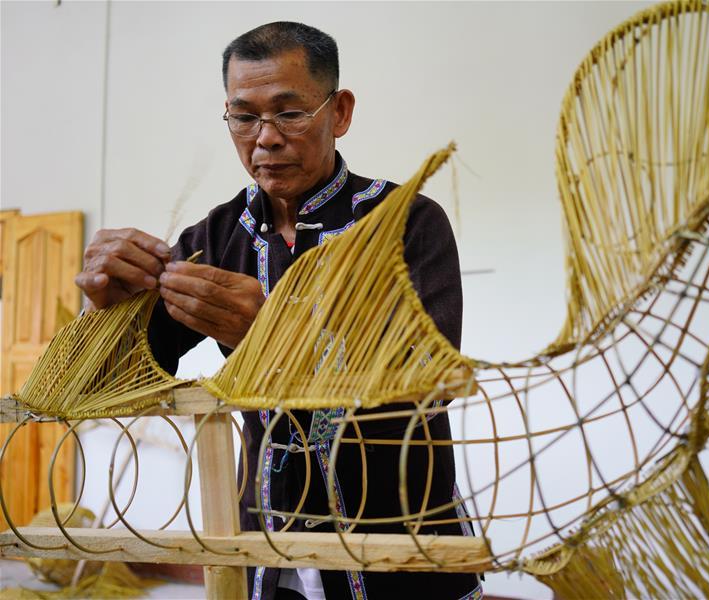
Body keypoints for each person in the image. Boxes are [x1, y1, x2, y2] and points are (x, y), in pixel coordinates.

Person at [75, 21, 482, 600]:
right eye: (244, 117)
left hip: (397, 537)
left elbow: (426, 388)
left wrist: (268, 334)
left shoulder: (405, 222)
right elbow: (117, 385)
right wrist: (107, 314)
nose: (264, 139)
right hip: (267, 544)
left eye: (289, 113)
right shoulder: (217, 237)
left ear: (339, 112)